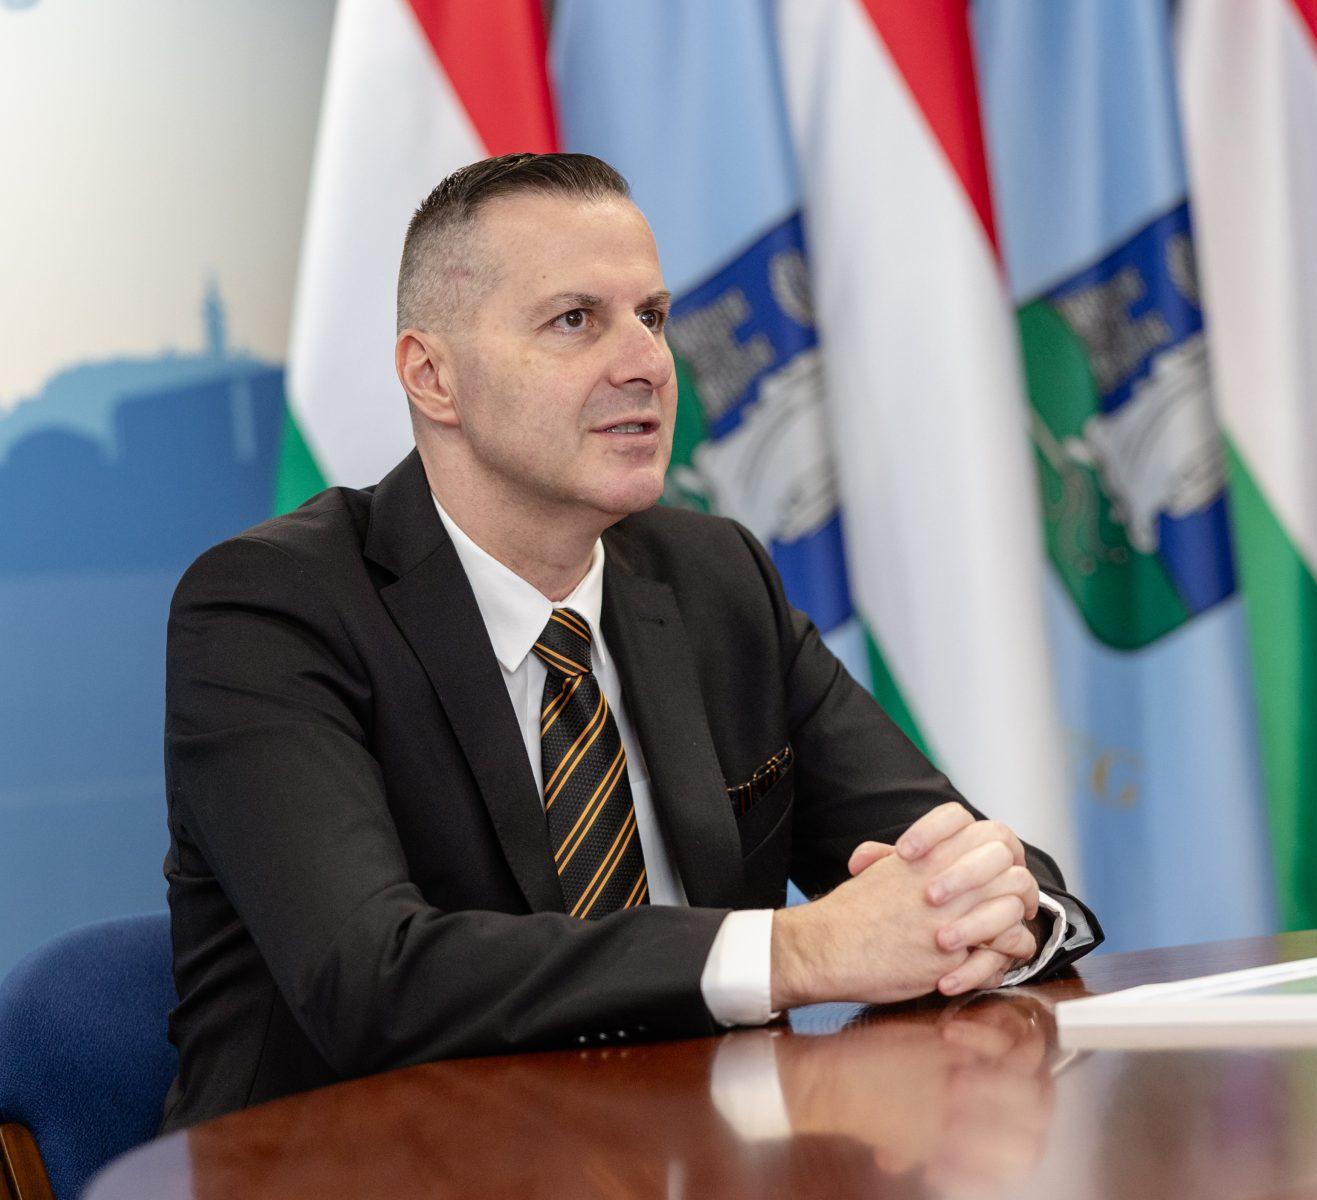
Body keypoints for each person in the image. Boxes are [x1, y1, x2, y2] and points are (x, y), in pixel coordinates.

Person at [159, 152, 1100, 1132]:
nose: (647, 362)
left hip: (698, 1158)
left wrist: (996, 908)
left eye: (650, 316)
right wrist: (798, 951)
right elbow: (371, 982)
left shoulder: (714, 579)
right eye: (576, 320)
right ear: (432, 376)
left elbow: (963, 863)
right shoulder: (271, 611)